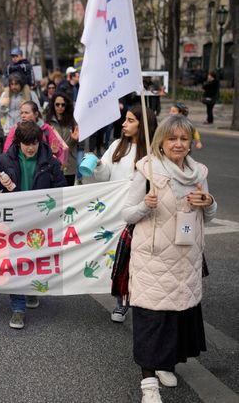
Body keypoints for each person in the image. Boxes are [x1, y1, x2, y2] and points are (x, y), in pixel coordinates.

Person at [123, 115, 216, 402]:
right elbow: (126, 213)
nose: (178, 144)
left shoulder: (198, 174)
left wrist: (209, 203)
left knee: (176, 316)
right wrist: (144, 206)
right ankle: (148, 383)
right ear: (161, 142)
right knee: (152, 318)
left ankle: (165, 364)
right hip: (153, 259)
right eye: (172, 138)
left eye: (184, 139)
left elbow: (207, 216)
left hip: (186, 257)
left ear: (190, 143)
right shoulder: (147, 169)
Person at [0, 121, 66, 328]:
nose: (31, 148)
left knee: (35, 259)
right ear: (18, 142)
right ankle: (18, 307)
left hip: (40, 220)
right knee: (15, 260)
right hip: (14, 219)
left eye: (35, 143)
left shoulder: (51, 162)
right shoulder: (4, 160)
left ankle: (31, 290)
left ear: (40, 142)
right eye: (26, 144)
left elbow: (61, 188)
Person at [89, 105, 157, 322]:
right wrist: (99, 165)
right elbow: (104, 176)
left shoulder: (154, 152)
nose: (124, 124)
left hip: (143, 214)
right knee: (120, 259)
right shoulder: (117, 145)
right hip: (116, 214)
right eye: (125, 120)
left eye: (130, 120)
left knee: (139, 260)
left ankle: (142, 302)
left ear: (143, 124)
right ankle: (121, 302)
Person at [45, 93, 79, 186]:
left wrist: (75, 139)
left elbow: (76, 142)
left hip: (69, 163)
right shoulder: (47, 121)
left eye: (63, 104)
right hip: (53, 163)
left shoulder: (72, 120)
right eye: (57, 104)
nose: (60, 107)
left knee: (68, 193)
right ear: (53, 105)